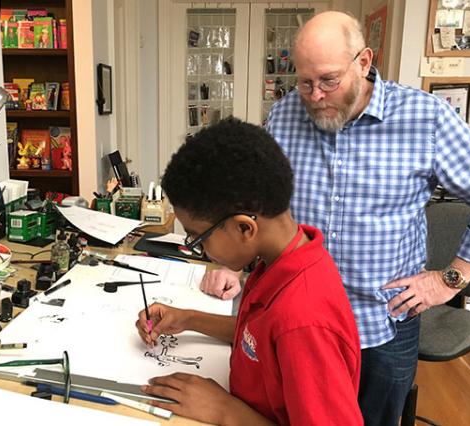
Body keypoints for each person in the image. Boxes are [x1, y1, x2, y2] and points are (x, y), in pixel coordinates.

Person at [199, 11, 470, 426]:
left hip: (380, 326)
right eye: (305, 82)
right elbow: (254, 198)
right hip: (295, 324)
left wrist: (448, 280)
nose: (316, 95)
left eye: (328, 80)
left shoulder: (424, 119)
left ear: (364, 61)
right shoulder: (285, 115)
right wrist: (229, 262)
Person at [136, 118, 362, 425]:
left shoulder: (303, 321)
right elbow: (258, 339)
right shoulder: (280, 261)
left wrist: (224, 410)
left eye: (198, 238)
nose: (198, 248)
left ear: (244, 227)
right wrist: (187, 318)